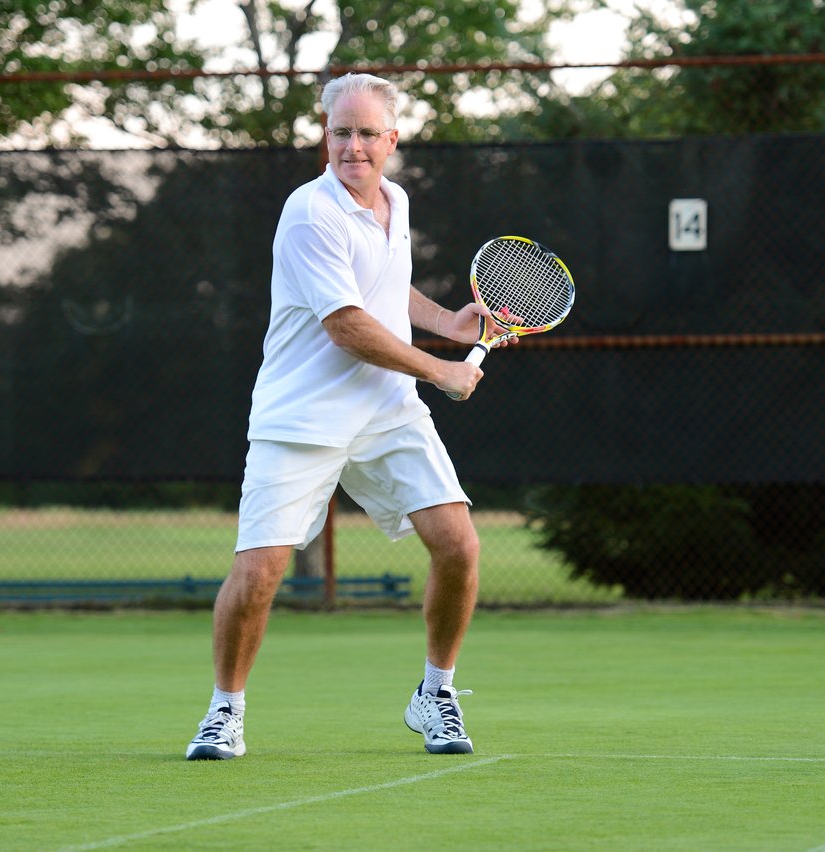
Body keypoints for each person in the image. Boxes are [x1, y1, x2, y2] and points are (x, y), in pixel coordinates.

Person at [185, 72, 514, 761]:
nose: (353, 147)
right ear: (325, 136)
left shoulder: (393, 199)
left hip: (387, 411)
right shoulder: (310, 212)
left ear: (391, 141)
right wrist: (441, 370)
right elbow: (348, 326)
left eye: (367, 134)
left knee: (459, 546)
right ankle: (224, 711)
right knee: (259, 575)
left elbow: (386, 290)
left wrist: (446, 320)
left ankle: (436, 693)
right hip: (302, 417)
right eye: (341, 132)